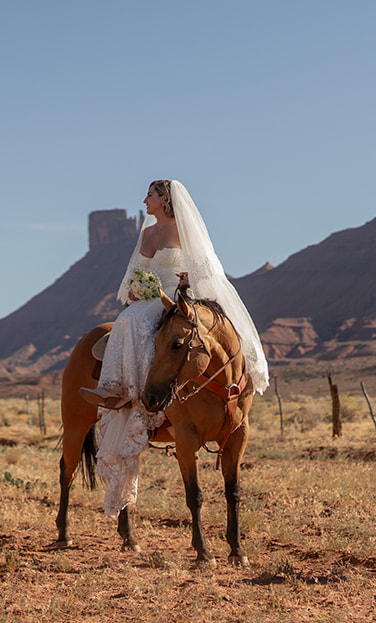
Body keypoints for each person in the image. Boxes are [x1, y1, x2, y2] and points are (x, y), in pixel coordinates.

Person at [83, 179, 268, 517]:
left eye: (150, 196)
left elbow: (206, 271)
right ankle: (125, 391)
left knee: (153, 328)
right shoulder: (145, 235)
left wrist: (186, 284)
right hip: (152, 299)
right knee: (129, 319)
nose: (145, 200)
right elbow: (135, 275)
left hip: (179, 300)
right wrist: (137, 291)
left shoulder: (185, 231)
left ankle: (164, 391)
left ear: (165, 200)